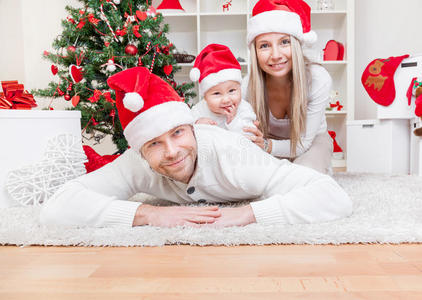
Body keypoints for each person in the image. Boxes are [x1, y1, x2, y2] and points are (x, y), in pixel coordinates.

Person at [40, 66, 352, 228]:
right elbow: (57, 206)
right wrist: (147, 214)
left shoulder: (235, 155)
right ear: (140, 150)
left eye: (178, 133)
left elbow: (332, 197)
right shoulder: (135, 161)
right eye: (155, 143)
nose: (172, 151)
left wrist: (248, 214)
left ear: (192, 127)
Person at [242, 0, 334, 174]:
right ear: (254, 52)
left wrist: (268, 146)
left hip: (310, 141)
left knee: (302, 176)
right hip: (266, 145)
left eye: (284, 42)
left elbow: (302, 144)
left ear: (298, 45)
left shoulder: (318, 79)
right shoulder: (248, 84)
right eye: (264, 45)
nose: (275, 55)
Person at [189, 44, 257, 135]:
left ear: (240, 89)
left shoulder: (244, 109)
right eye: (217, 93)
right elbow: (186, 129)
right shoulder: (199, 109)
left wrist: (233, 122)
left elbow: (250, 136)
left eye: (232, 91)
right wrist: (198, 124)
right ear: (205, 97)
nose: (226, 100)